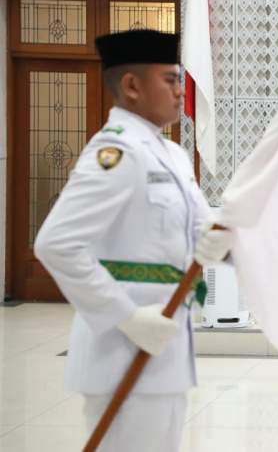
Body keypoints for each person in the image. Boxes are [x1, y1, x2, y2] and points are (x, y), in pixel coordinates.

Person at [33, 29, 231, 452]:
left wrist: (221, 240)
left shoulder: (172, 155)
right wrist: (126, 317)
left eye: (180, 80)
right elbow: (56, 243)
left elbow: (194, 228)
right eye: (170, 80)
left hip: (167, 351)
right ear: (132, 86)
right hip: (122, 353)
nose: (181, 92)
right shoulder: (117, 153)